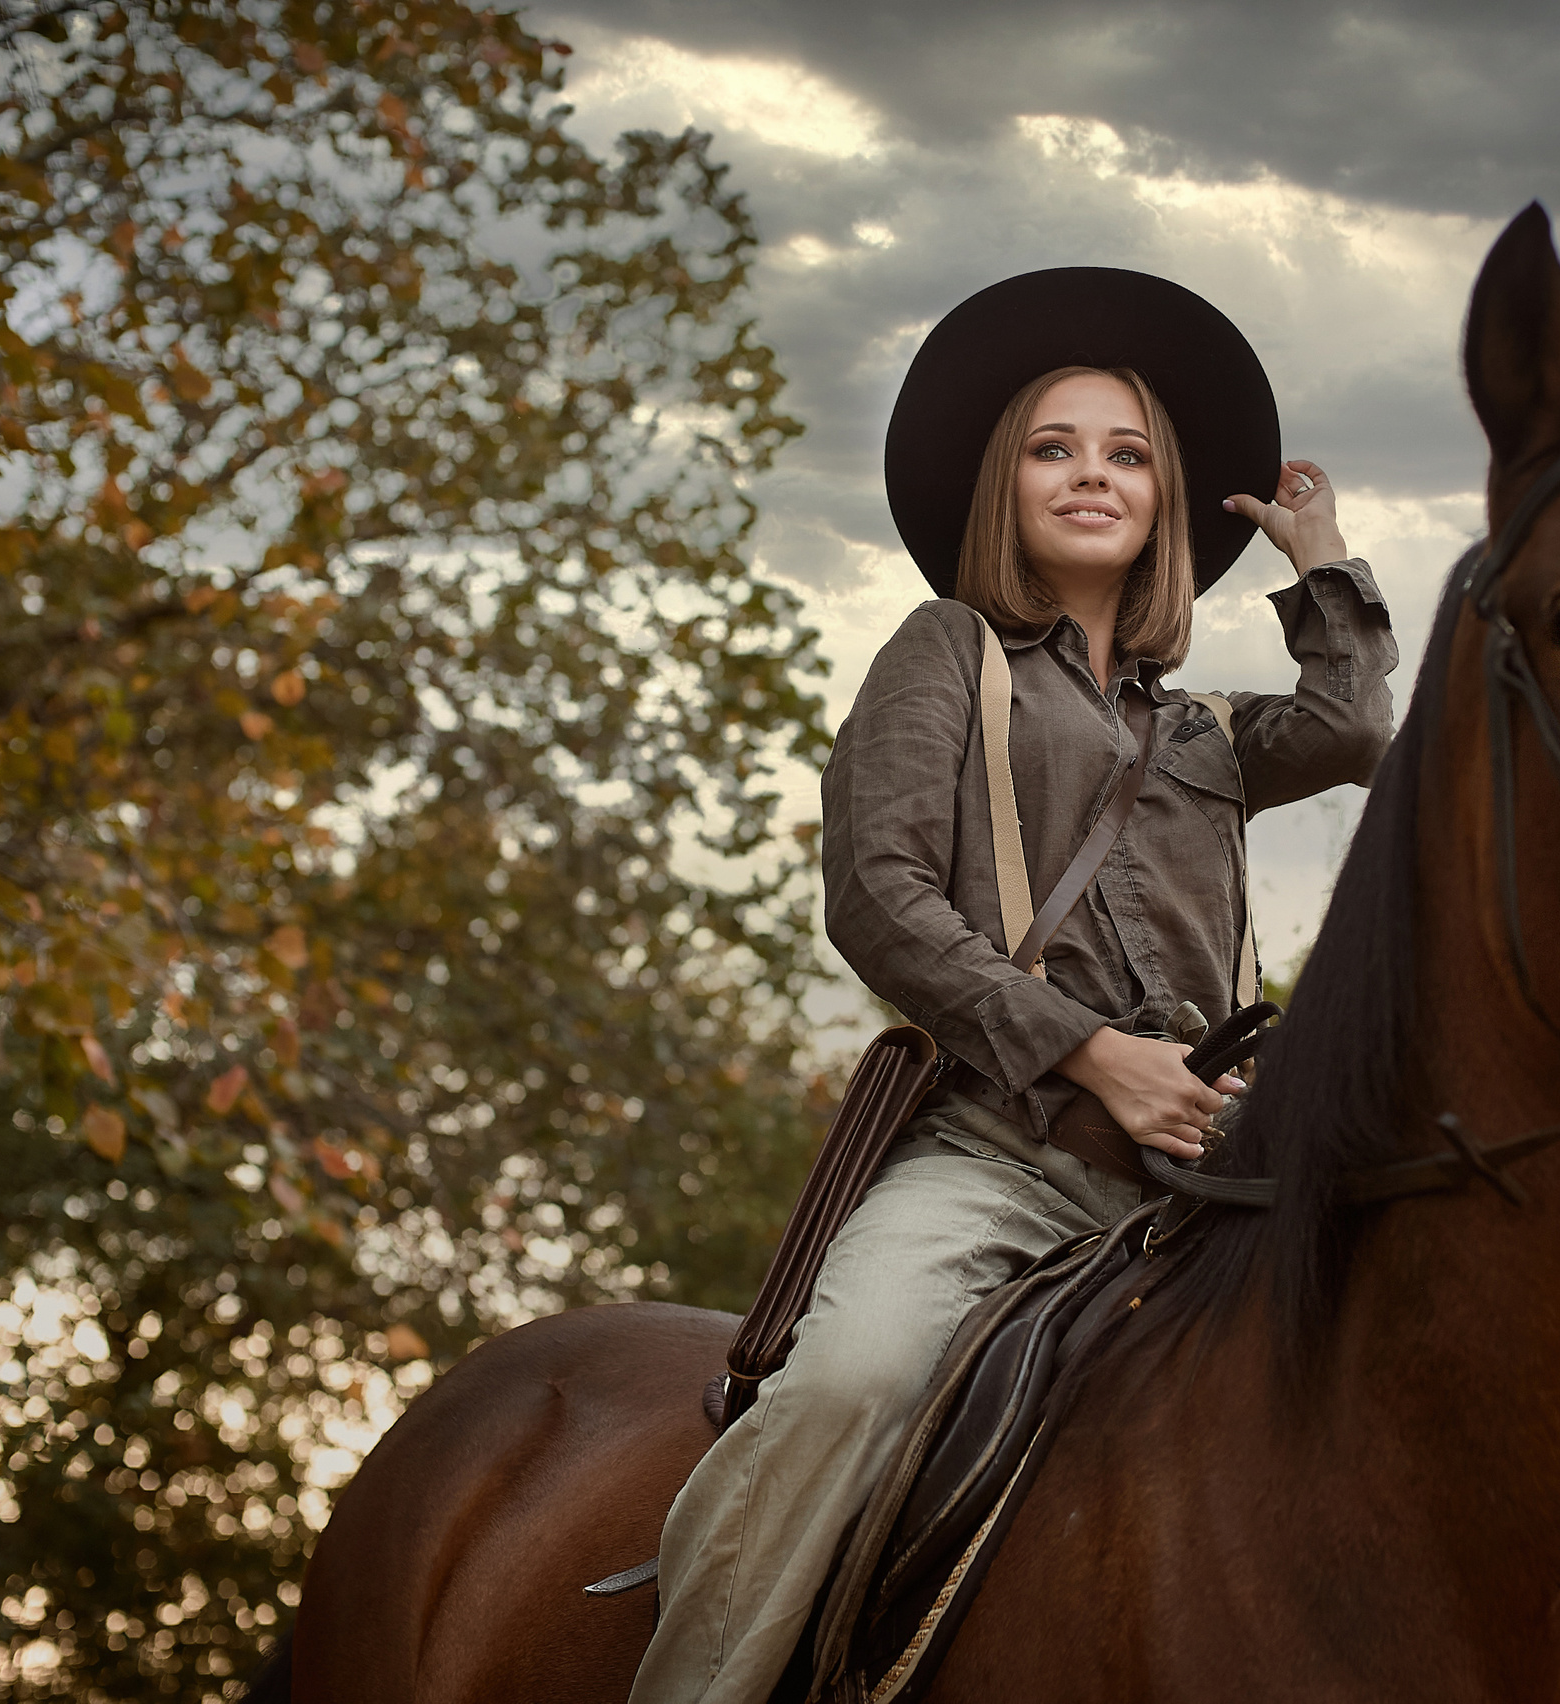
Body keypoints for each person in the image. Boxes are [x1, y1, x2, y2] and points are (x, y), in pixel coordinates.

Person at [630, 268, 1398, 1704]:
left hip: (1205, 1180)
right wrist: (1091, 1055)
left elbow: (1357, 728)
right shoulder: (948, 655)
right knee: (850, 1384)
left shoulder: (1208, 729)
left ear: (1168, 498)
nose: (1091, 475)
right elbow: (879, 900)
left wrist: (1319, 558)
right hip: (1004, 1159)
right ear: (1007, 483)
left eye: (1127, 454)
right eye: (1055, 448)